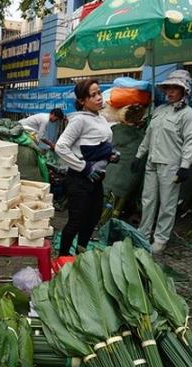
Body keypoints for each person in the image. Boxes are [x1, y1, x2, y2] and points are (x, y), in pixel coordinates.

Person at [131, 69, 192, 254]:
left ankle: (161, 239)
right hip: (152, 161)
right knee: (148, 200)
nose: (170, 92)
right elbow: (148, 135)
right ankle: (143, 234)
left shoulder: (188, 114)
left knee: (167, 204)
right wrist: (139, 156)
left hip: (171, 164)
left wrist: (185, 166)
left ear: (184, 91)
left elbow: (189, 142)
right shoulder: (160, 110)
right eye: (168, 88)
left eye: (175, 89)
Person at [55, 79, 119, 256]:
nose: (99, 97)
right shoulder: (79, 121)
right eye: (93, 95)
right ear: (82, 101)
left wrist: (110, 154)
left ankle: (81, 255)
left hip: (96, 180)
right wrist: (84, 168)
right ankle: (63, 258)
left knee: (91, 220)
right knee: (76, 221)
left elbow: (97, 143)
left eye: (99, 92)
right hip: (79, 180)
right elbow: (61, 147)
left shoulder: (100, 118)